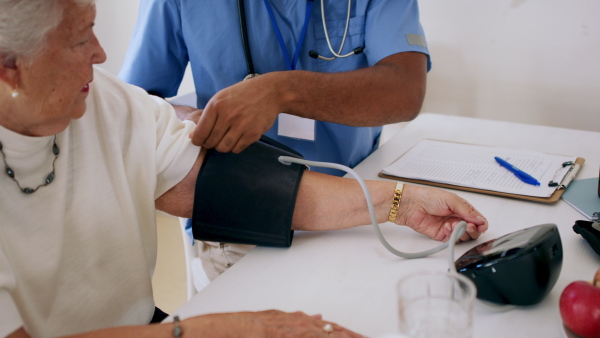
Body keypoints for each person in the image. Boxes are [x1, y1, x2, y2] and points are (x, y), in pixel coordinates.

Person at [0, 0, 488, 337]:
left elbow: (223, 186)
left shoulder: (105, 103)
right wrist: (200, 330)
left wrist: (397, 201)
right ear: (10, 68)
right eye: (80, 38)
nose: (101, 53)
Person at [119, 0, 432, 279]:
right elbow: (131, 106)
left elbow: (406, 90)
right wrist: (188, 119)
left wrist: (281, 91)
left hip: (360, 199)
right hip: (246, 213)